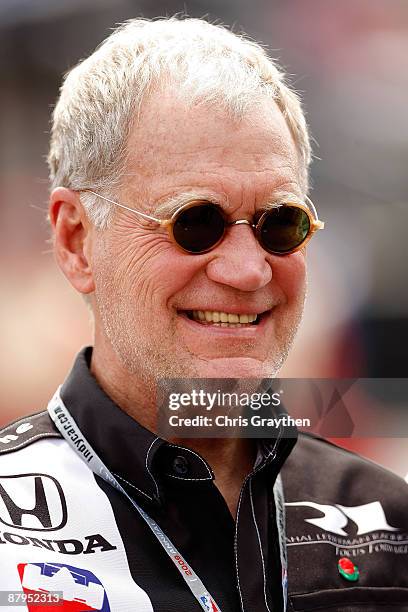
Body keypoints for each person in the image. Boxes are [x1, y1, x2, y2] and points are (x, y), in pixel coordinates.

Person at [0, 16, 407, 612]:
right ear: (77, 240)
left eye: (280, 224)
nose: (247, 270)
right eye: (196, 223)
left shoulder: (389, 524)